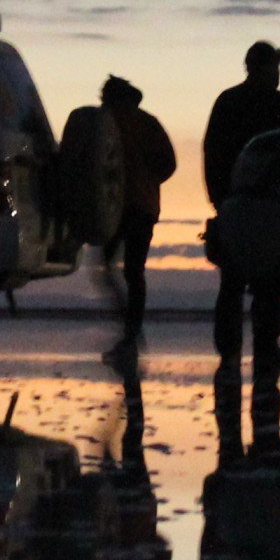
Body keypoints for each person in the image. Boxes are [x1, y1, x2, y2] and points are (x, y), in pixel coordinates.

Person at [202, 39, 280, 361]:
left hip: (245, 201)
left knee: (242, 281)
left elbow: (211, 152)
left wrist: (218, 200)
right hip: (259, 202)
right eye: (274, 66)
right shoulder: (277, 103)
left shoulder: (229, 101)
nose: (277, 73)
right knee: (261, 281)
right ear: (260, 67)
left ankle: (234, 352)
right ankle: (259, 350)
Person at [98, 74, 175, 355]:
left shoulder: (105, 122)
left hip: (116, 207)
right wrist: (149, 181)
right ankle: (131, 331)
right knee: (134, 271)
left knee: (108, 267)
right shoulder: (148, 122)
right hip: (144, 207)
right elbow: (169, 164)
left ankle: (129, 331)